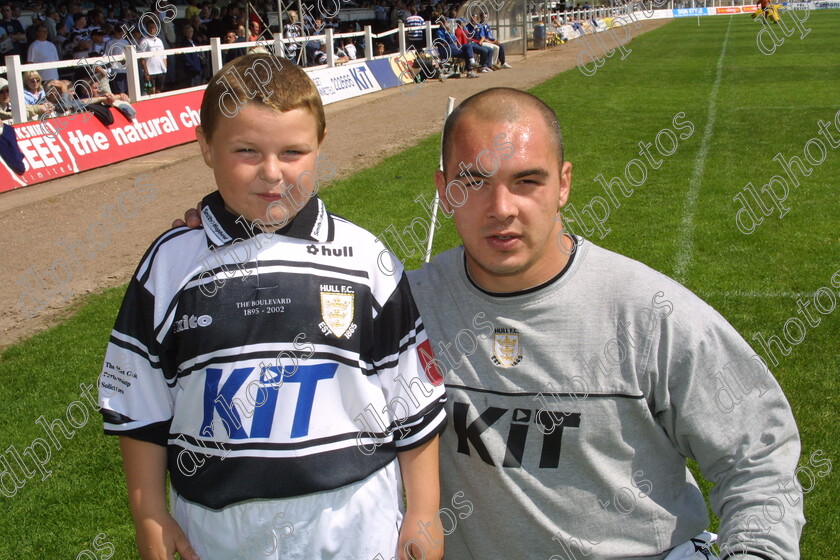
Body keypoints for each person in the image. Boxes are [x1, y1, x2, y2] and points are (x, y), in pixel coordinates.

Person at [174, 88, 805, 559]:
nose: (501, 210)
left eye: (526, 181)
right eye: (474, 182)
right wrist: (216, 242)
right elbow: (283, 350)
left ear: (563, 184)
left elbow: (757, 459)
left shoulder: (652, 314)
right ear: (444, 189)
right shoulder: (401, 306)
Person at [100, 53, 447, 560]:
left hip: (353, 528)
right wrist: (149, 511)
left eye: (292, 152)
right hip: (217, 534)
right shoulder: (170, 263)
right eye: (245, 150)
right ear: (204, 147)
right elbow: (140, 404)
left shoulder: (365, 258)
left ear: (320, 147)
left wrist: (424, 509)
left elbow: (412, 397)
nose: (271, 173)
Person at [138, 19, 167, 94]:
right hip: (150, 72)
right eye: (149, 27)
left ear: (156, 28)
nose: (151, 29)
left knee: (159, 92)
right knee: (150, 92)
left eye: (153, 27)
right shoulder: (143, 41)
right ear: (146, 29)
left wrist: (165, 69)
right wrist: (146, 72)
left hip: (160, 71)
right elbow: (141, 58)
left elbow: (164, 56)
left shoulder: (159, 40)